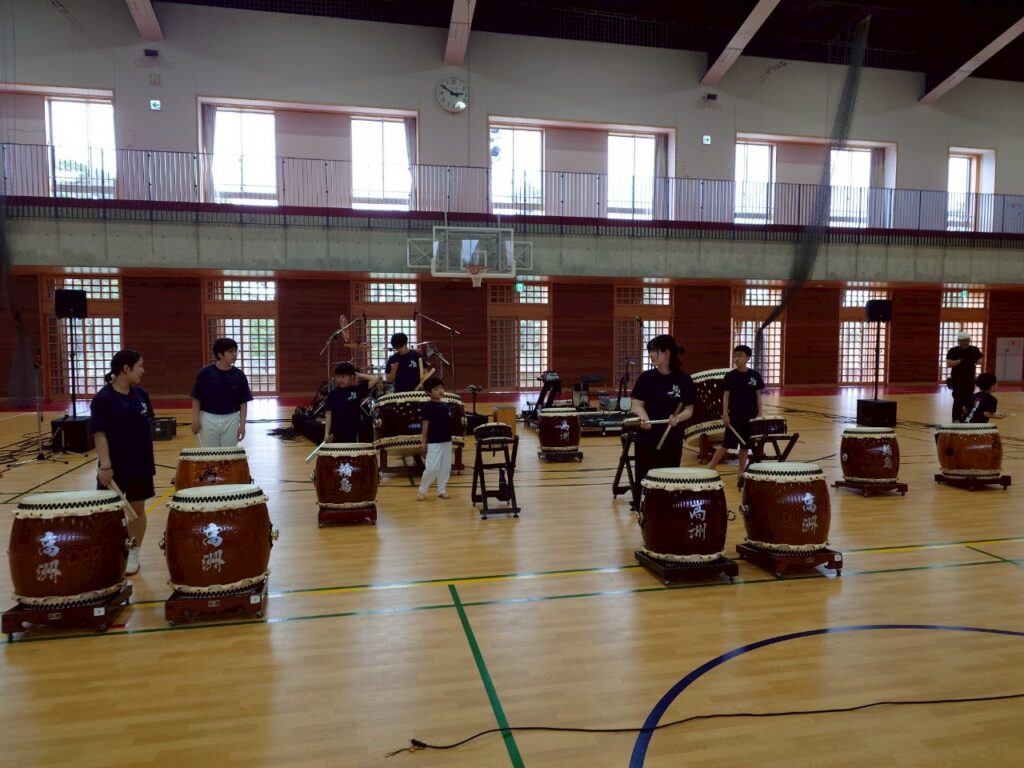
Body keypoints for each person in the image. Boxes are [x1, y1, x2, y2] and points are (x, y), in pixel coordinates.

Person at [90, 350, 155, 575]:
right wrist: (105, 466)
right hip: (114, 466)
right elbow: (99, 434)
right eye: (140, 366)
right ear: (126, 369)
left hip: (141, 464)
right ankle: (110, 554)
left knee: (137, 510)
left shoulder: (142, 394)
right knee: (109, 513)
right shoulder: (103, 399)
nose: (143, 370)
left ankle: (133, 553)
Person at [629, 335, 696, 492]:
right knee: (645, 476)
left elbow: (689, 410)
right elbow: (636, 404)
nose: (651, 355)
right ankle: (641, 505)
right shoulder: (646, 378)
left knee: (668, 478)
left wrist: (677, 418)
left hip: (672, 437)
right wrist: (644, 417)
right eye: (650, 351)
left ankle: (665, 505)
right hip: (647, 436)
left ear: (667, 353)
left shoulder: (684, 380)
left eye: (654, 351)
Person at [707, 345, 765, 480]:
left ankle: (741, 471)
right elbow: (726, 396)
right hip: (734, 417)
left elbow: (758, 395)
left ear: (748, 358)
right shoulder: (730, 376)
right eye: (735, 356)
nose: (736, 358)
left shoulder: (754, 375)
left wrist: (760, 413)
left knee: (745, 445)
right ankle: (711, 465)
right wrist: (725, 414)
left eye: (740, 355)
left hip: (750, 417)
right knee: (727, 443)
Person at [190, 337, 254, 446]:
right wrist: (195, 420)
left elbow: (243, 402)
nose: (234, 355)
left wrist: (242, 425)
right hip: (208, 418)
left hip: (231, 419)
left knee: (229, 454)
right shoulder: (205, 373)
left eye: (235, 351)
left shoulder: (239, 375)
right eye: (230, 352)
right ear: (220, 354)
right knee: (209, 454)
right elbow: (196, 397)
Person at [323, 362, 381, 443]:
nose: (340, 380)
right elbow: (328, 414)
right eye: (338, 377)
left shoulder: (356, 390)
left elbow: (375, 379)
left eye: (343, 377)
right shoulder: (332, 394)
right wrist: (326, 433)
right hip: (337, 433)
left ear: (352, 377)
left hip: (354, 432)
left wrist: (358, 375)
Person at [417, 376, 452, 501]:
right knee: (432, 468)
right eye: (436, 389)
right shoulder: (428, 407)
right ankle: (422, 490)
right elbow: (425, 426)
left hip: (447, 441)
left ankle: (442, 490)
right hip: (434, 442)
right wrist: (423, 441)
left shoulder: (446, 406)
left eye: (441, 388)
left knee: (445, 467)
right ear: (428, 392)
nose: (440, 391)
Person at [945, 331, 982, 422]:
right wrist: (960, 361)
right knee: (958, 399)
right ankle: (956, 418)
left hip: (970, 379)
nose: (966, 342)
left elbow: (980, 360)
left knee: (970, 399)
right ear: (959, 341)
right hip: (957, 379)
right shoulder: (953, 350)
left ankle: (968, 417)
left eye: (967, 340)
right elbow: (949, 364)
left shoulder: (974, 350)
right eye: (964, 341)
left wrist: (976, 360)